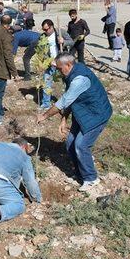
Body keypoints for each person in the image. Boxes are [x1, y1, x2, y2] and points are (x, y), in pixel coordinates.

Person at [37, 53, 112, 192]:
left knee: (81, 145)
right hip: (84, 112)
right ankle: (81, 174)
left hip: (97, 114)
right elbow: (71, 99)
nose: (59, 72)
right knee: (70, 143)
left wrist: (44, 116)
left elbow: (64, 101)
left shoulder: (79, 79)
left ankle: (91, 179)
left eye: (60, 69)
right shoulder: (71, 73)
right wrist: (64, 119)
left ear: (69, 65)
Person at [38, 19, 61, 110]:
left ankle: (69, 102)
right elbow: (41, 50)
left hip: (61, 62)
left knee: (67, 83)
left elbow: (71, 41)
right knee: (46, 83)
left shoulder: (60, 33)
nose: (45, 31)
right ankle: (46, 103)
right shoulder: (43, 36)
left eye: (47, 29)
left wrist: (64, 42)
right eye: (44, 30)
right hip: (50, 63)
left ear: (52, 27)